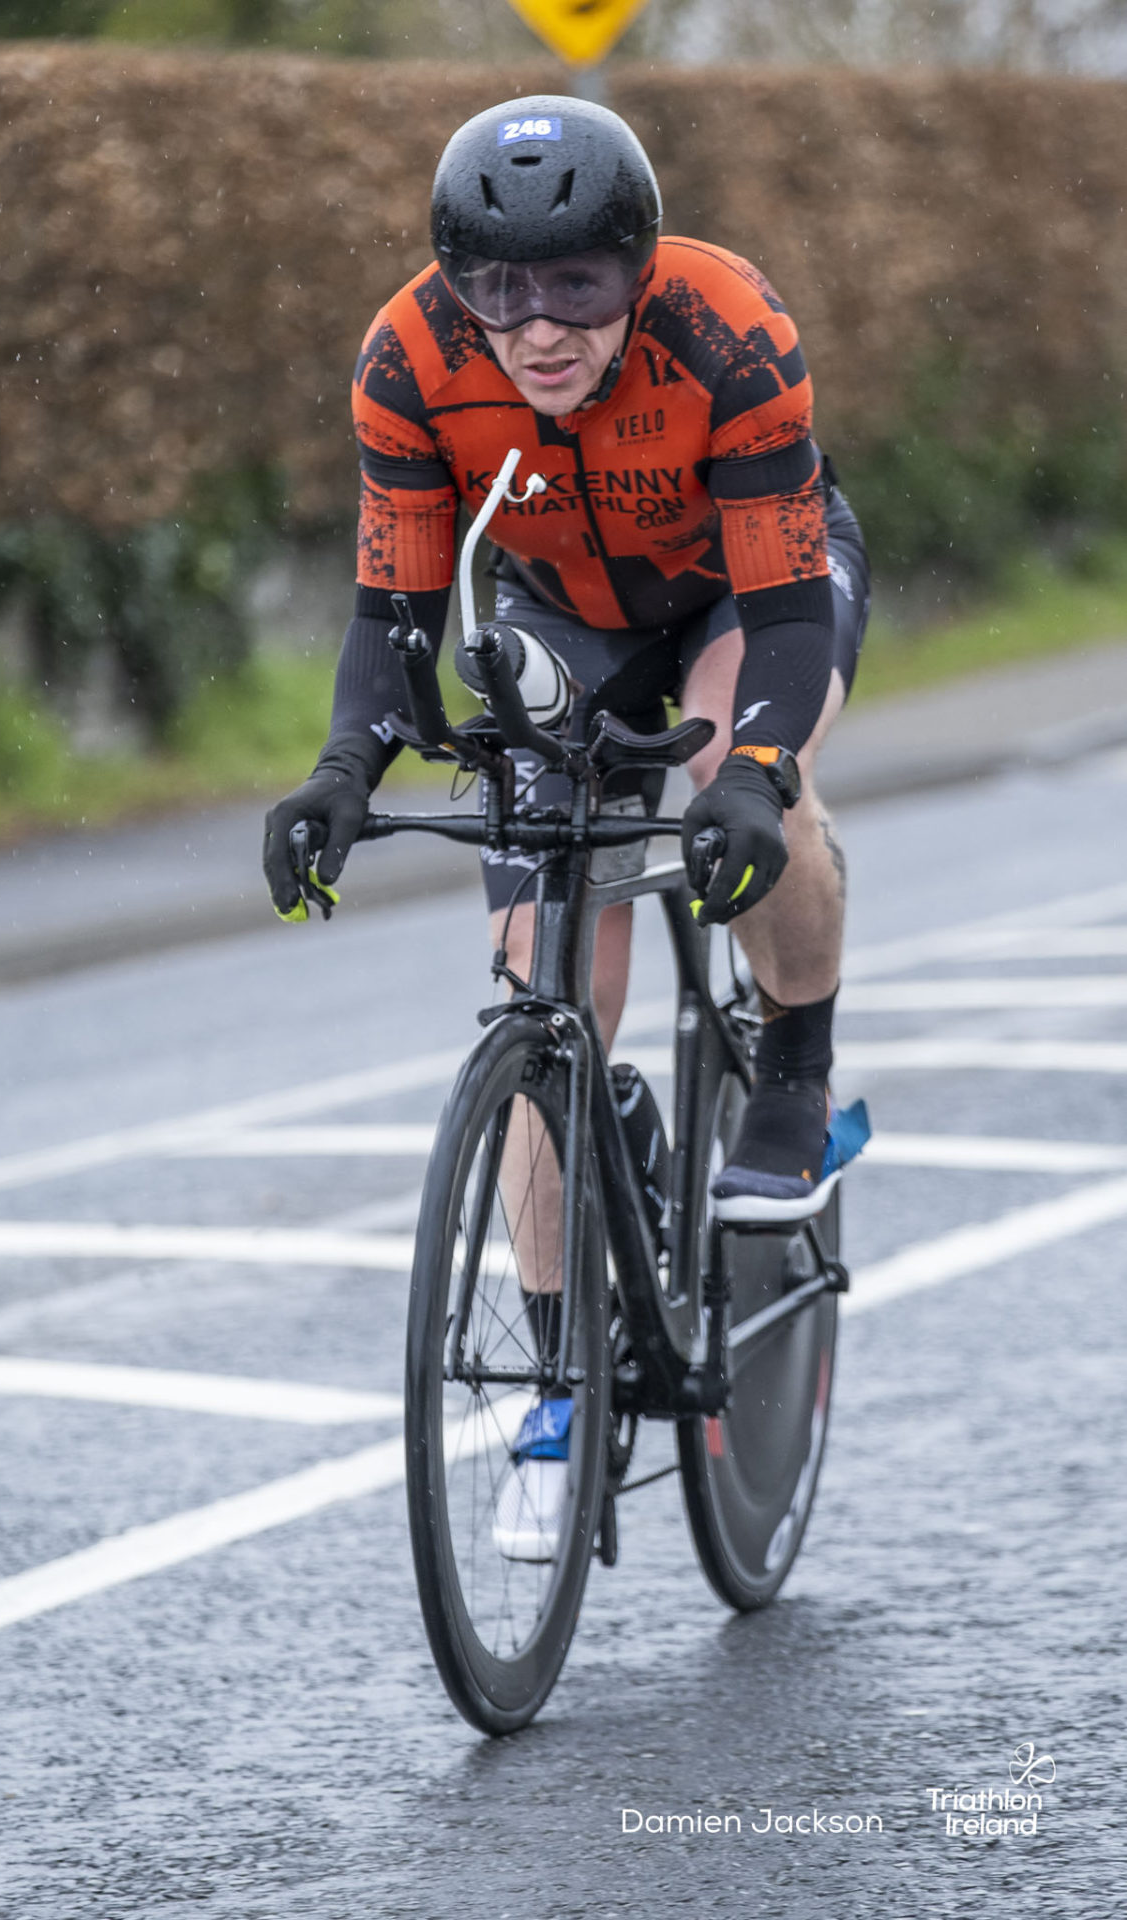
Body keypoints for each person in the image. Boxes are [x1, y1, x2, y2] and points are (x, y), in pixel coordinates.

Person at [263, 94, 870, 1557]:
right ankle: (555, 1383)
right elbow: (395, 611)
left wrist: (754, 770)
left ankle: (794, 1072)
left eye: (578, 289)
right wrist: (344, 767)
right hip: (563, 622)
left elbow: (788, 617)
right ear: (456, 284)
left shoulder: (727, 330)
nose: (537, 330)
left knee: (747, 792)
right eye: (499, 291)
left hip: (744, 597)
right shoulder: (408, 359)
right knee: (540, 980)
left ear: (637, 270)